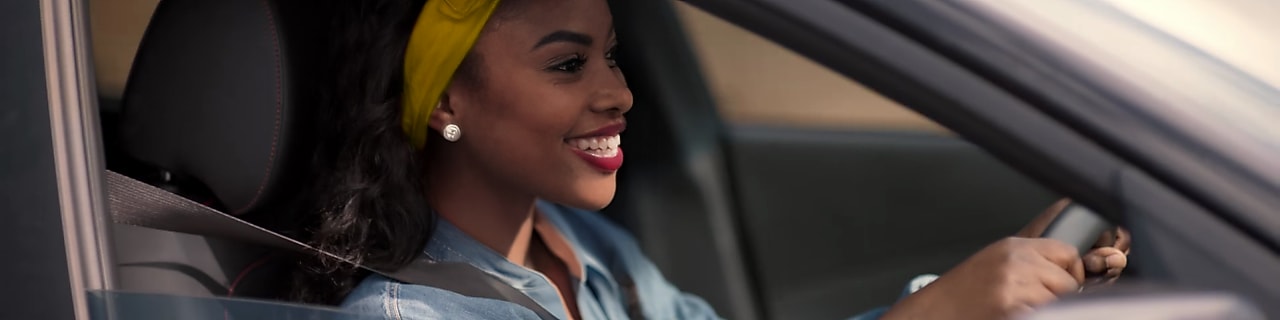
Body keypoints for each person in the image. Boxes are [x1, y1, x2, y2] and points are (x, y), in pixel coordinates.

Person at [289, 0, 1130, 319]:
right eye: (566, 63)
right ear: (445, 103)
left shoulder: (593, 257)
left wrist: (977, 292)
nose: (617, 93)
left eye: (612, 56)